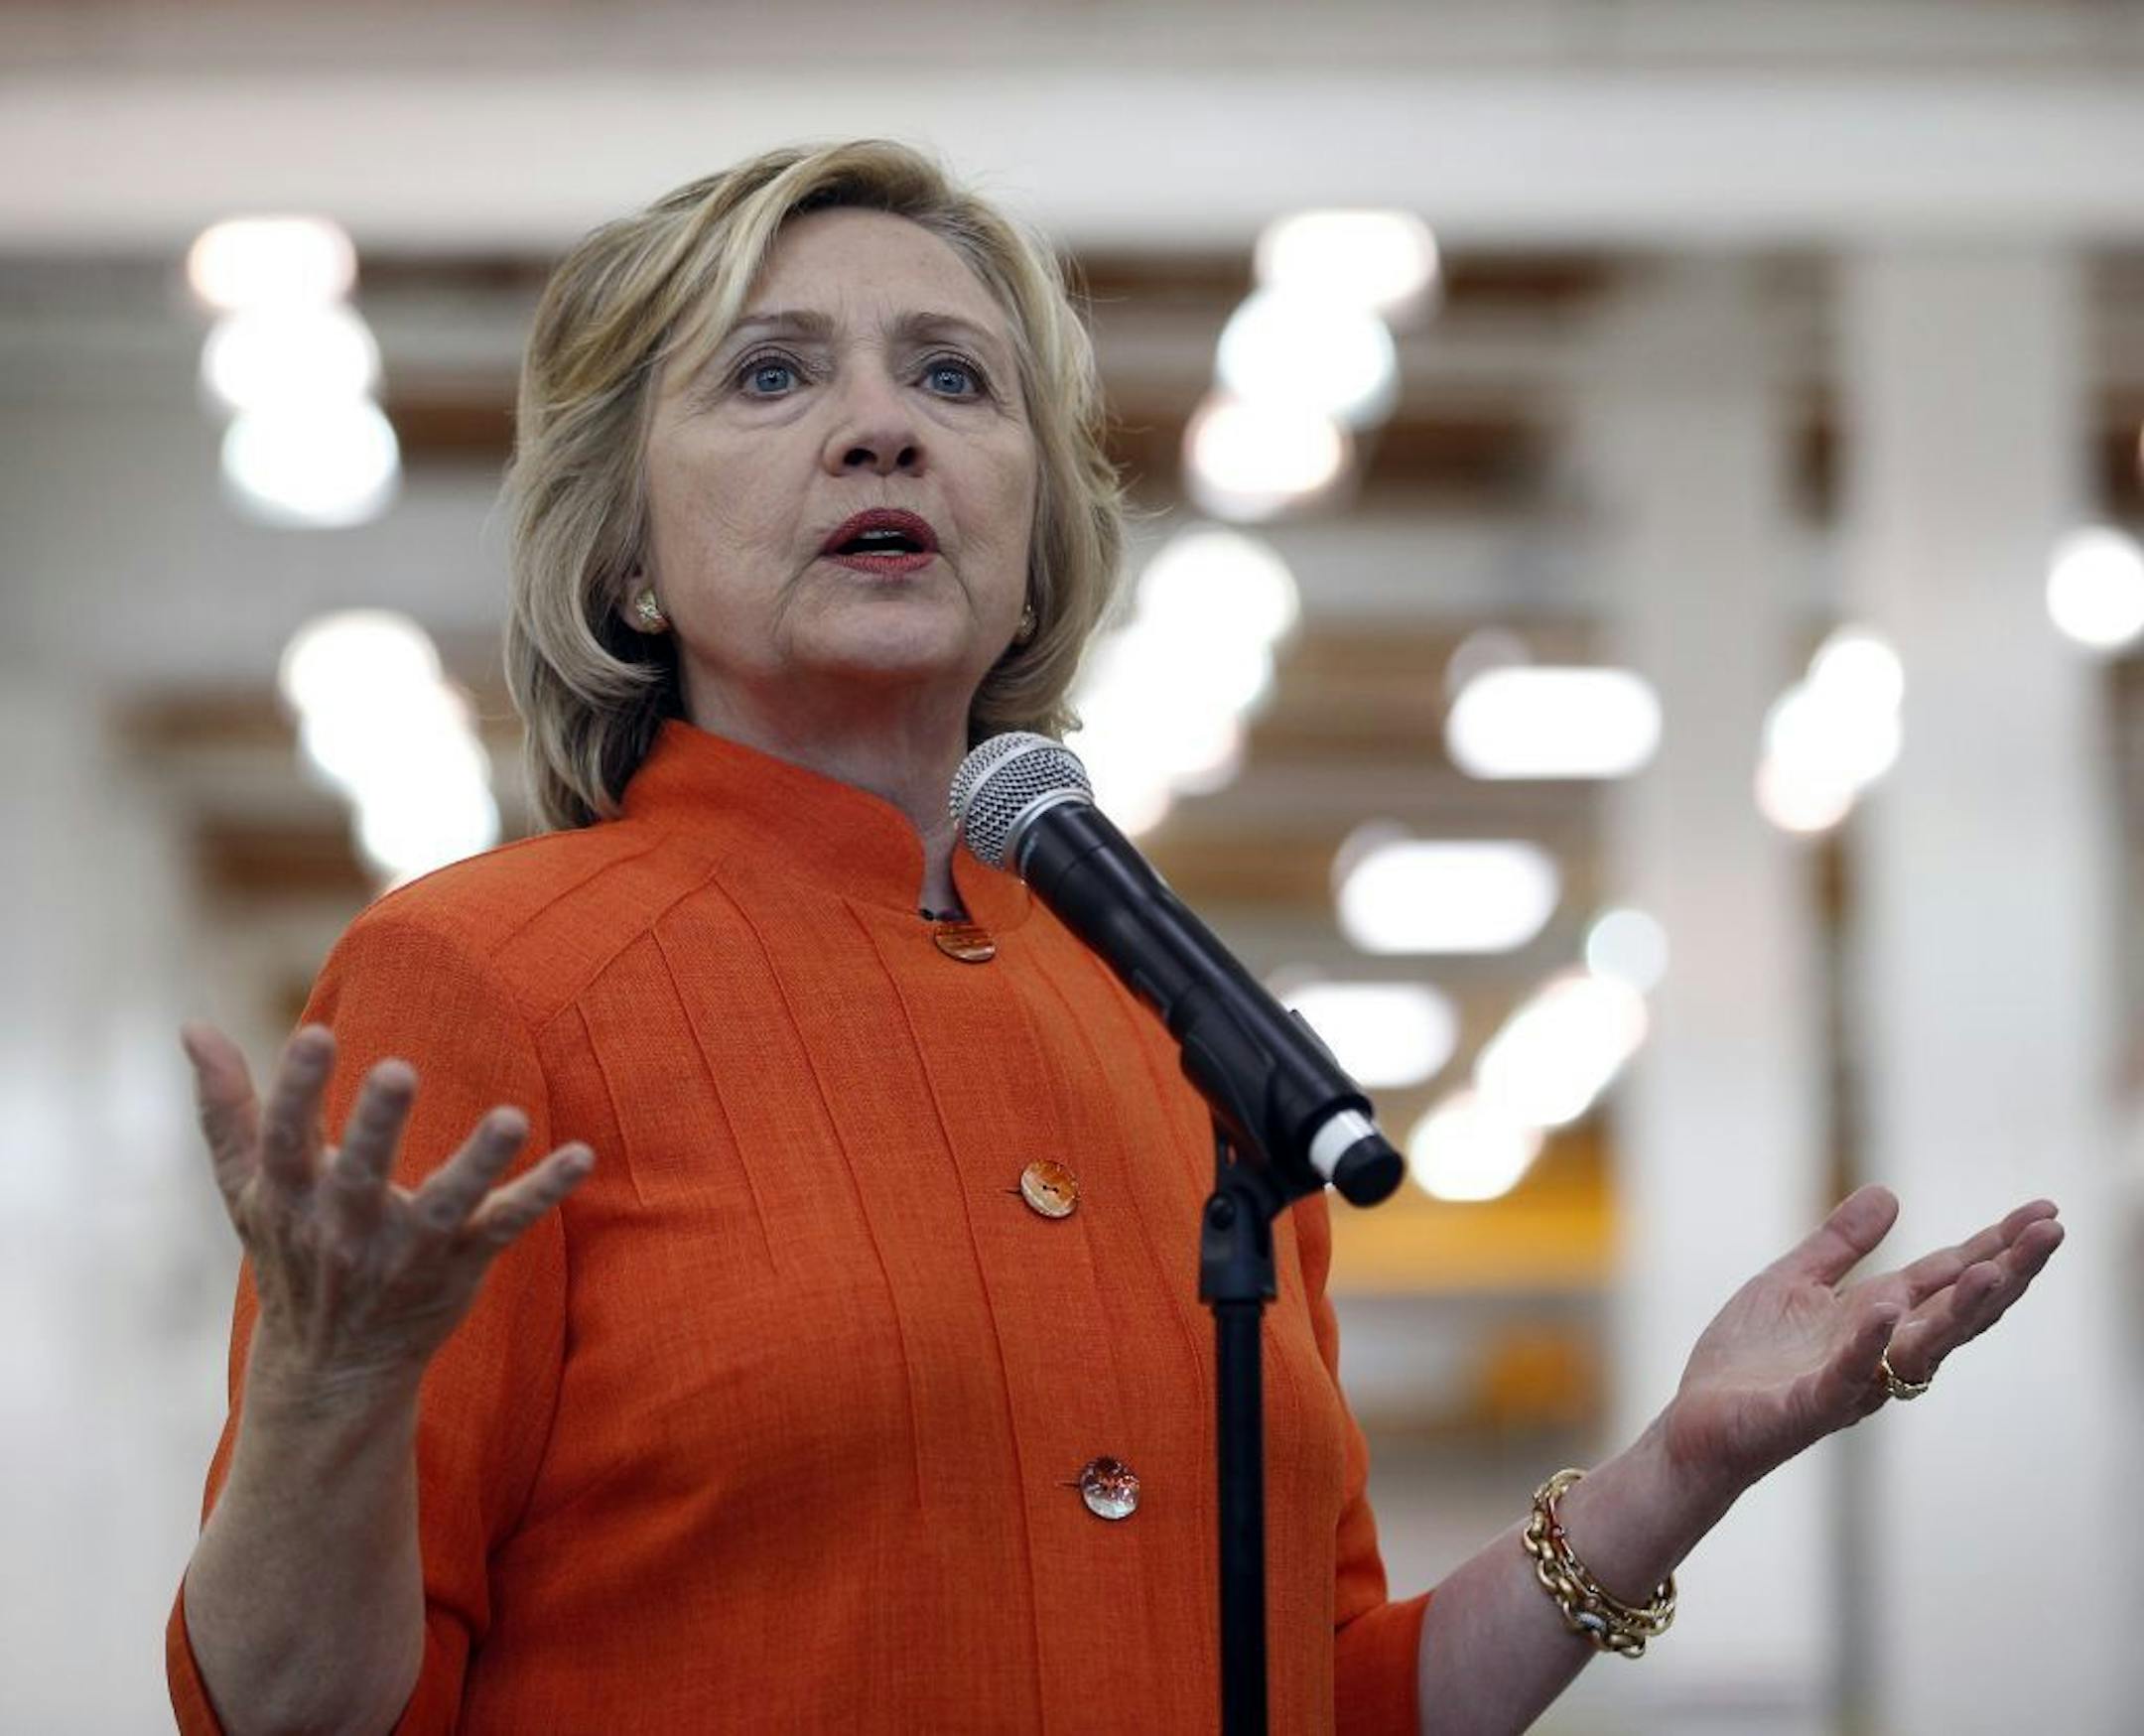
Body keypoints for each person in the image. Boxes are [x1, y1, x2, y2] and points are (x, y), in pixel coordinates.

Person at [165, 140, 2066, 1736]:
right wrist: (332, 1398)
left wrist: (1675, 1474)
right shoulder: (483, 983)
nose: (882, 429)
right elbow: (296, 1715)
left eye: (954, 379)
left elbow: (1320, 1690)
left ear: (1035, 542)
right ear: (627, 555)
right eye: (771, 377)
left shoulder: (1186, 1025)